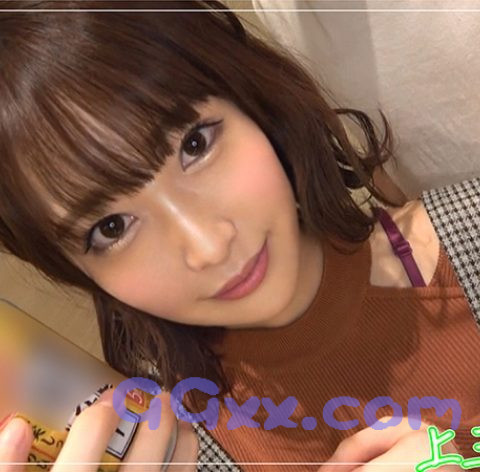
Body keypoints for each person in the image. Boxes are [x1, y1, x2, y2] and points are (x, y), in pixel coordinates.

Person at [0, 1, 477, 470]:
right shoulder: (179, 452)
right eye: (111, 228)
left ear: (250, 99)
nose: (208, 247)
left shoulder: (466, 236)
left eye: (195, 145)